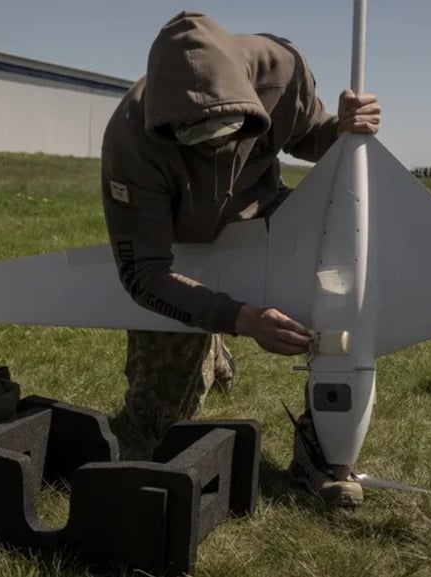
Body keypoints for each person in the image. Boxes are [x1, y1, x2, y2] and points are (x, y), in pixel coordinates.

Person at [100, 11, 381, 507]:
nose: (216, 149)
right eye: (195, 140)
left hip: (261, 217)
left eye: (232, 132)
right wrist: (240, 317)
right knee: (155, 424)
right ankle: (209, 340)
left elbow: (310, 136)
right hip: (180, 249)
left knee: (342, 272)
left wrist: (342, 130)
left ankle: (323, 447)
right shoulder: (130, 140)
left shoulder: (284, 70)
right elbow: (143, 273)